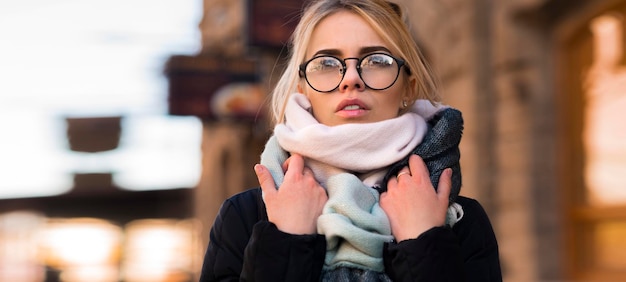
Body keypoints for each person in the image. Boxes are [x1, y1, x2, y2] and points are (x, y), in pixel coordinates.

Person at [199, 0, 502, 281]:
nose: (351, 79)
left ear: (408, 89)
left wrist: (422, 243)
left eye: (377, 60)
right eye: (327, 63)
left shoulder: (460, 221)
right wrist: (286, 240)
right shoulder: (245, 217)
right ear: (303, 90)